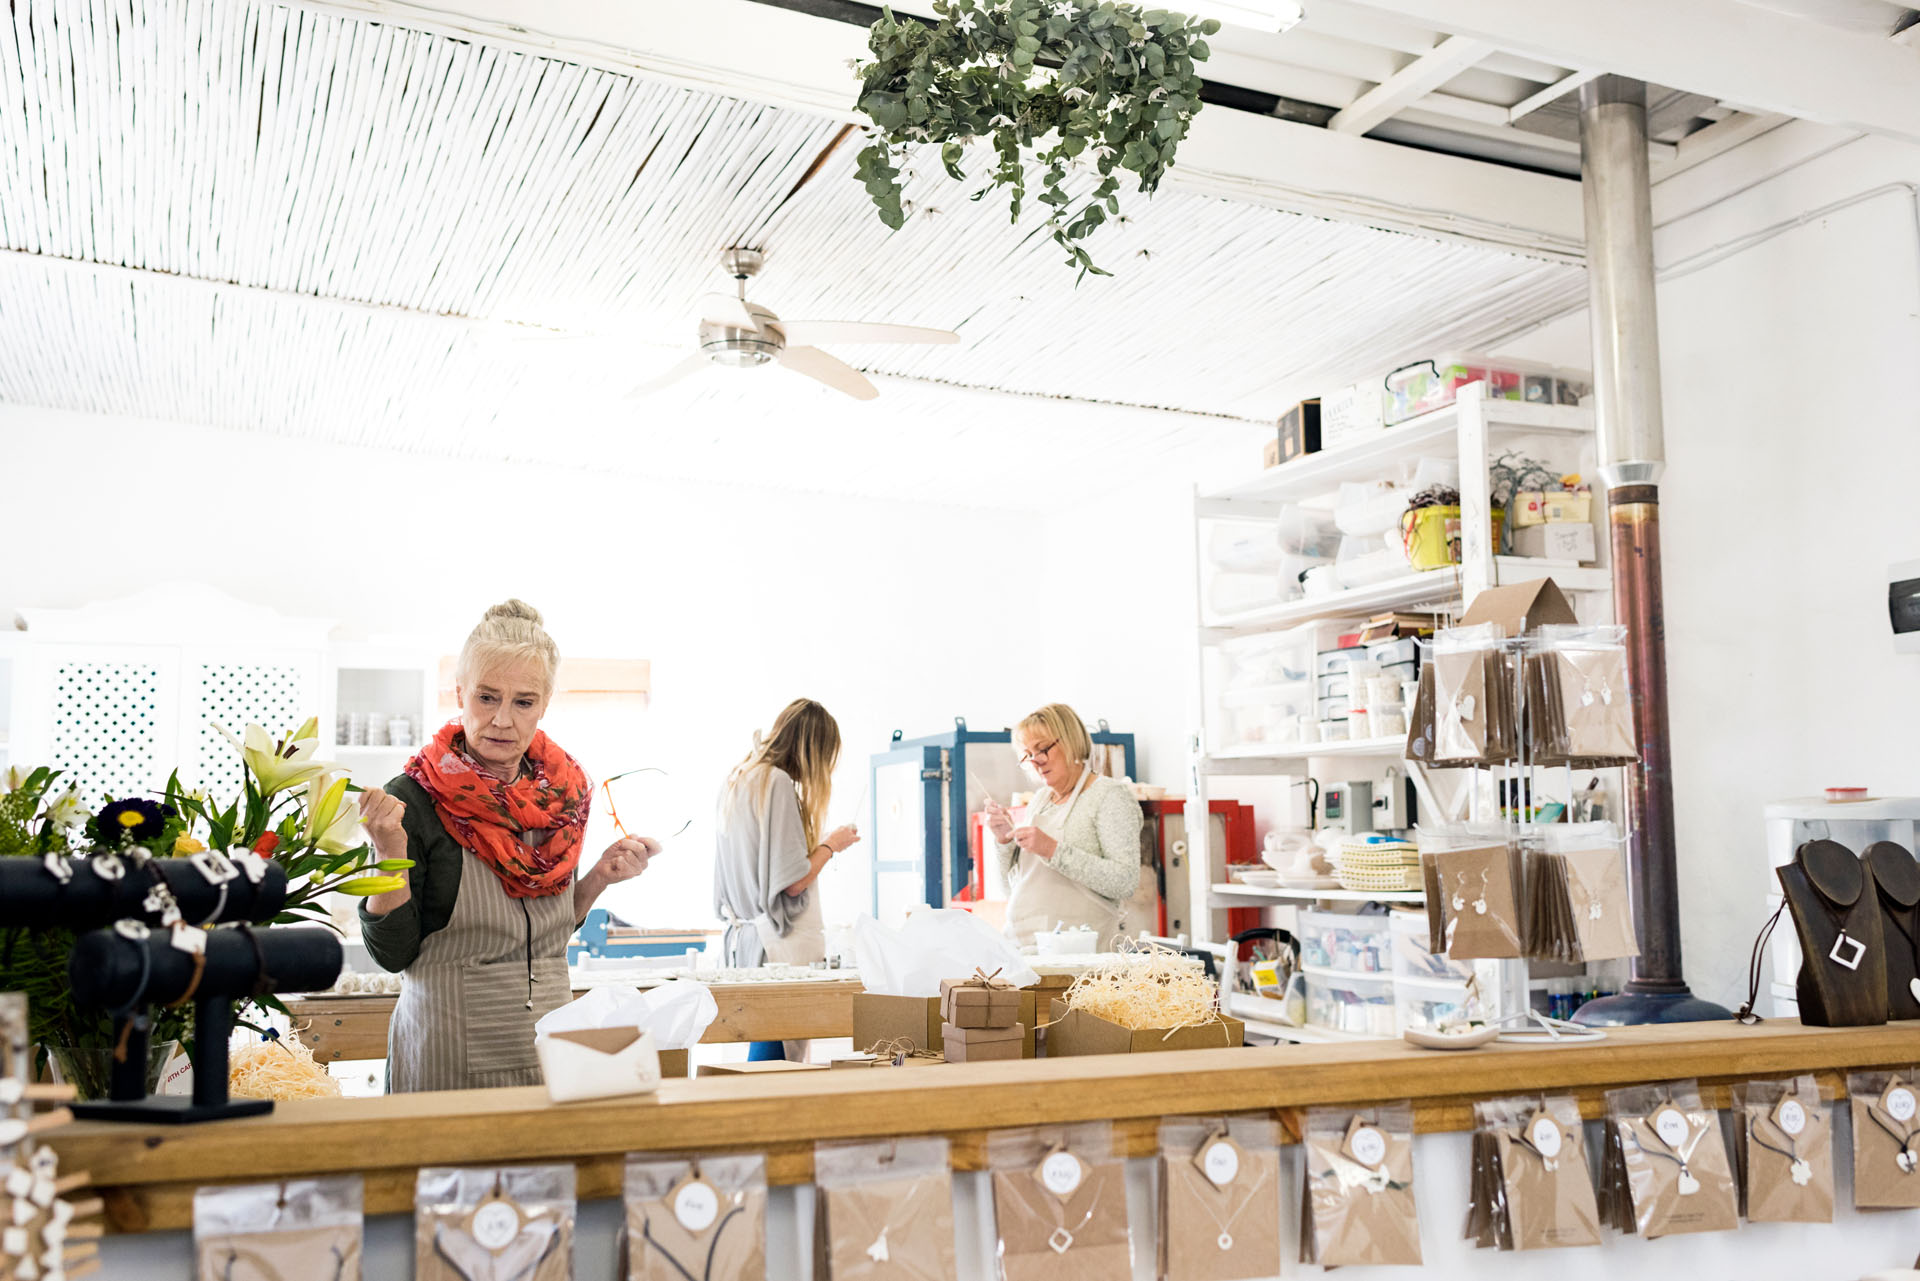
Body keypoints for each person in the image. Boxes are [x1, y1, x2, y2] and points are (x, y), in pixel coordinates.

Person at [356, 600, 660, 1092]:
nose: (502, 719)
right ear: (460, 693)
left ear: (544, 704)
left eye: (523, 702)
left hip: (553, 1050)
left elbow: (547, 937)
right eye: (487, 697)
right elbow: (392, 954)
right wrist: (390, 851)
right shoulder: (413, 799)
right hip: (446, 1055)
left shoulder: (564, 796)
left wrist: (599, 879)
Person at [713, 698, 859, 1060]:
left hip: (746, 940)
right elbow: (793, 881)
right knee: (775, 1052)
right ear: (813, 750)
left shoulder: (740, 777)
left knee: (764, 1042)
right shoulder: (775, 783)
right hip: (774, 946)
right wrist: (831, 844)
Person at [985, 702, 1142, 951]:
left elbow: (1124, 881)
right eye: (1027, 754)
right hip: (1024, 946)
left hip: (1080, 955)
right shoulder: (1040, 801)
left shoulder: (1109, 796)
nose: (1036, 761)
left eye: (1043, 749)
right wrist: (1004, 842)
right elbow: (1011, 889)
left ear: (1070, 741)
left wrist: (1052, 850)